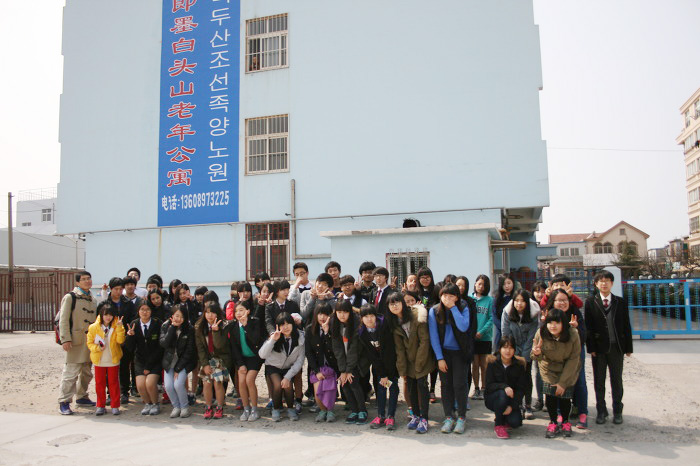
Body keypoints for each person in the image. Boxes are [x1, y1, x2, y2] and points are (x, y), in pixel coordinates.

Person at [584, 270, 633, 425]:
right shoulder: (590, 302)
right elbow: (588, 327)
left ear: (612, 283)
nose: (604, 283)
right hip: (598, 349)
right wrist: (590, 347)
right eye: (601, 281)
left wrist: (628, 347)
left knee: (616, 380)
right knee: (599, 381)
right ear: (596, 284)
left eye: (607, 281)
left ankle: (617, 411)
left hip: (616, 347)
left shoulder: (620, 302)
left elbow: (626, 325)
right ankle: (601, 411)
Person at [428, 283, 471, 434]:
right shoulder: (434, 311)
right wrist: (439, 358)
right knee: (445, 385)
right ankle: (448, 417)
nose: (447, 298)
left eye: (451, 296)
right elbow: (433, 336)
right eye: (444, 295)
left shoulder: (463, 307)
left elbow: (463, 326)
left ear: (457, 297)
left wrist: (453, 308)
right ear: (440, 296)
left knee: (459, 384)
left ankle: (461, 417)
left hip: (460, 352)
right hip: (444, 353)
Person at [531, 308, 581, 438]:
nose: (552, 326)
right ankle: (553, 422)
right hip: (548, 368)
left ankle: (565, 421)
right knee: (551, 394)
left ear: (563, 324)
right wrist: (537, 353)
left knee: (565, 396)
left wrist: (563, 383)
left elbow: (574, 359)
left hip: (567, 368)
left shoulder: (573, 334)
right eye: (550, 322)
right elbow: (535, 356)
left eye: (557, 323)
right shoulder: (541, 333)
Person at [388, 292, 434, 434]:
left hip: (422, 356)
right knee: (411, 386)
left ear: (403, 302)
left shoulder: (417, 315)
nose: (394, 306)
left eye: (397, 302)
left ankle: (424, 418)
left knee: (422, 385)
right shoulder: (394, 322)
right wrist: (402, 367)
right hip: (408, 360)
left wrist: (419, 363)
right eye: (391, 303)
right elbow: (399, 348)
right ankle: (415, 415)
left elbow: (424, 340)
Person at [545, 288, 588, 428]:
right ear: (553, 302)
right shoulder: (549, 315)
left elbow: (583, 336)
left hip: (574, 354)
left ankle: (582, 412)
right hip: (556, 355)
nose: (562, 303)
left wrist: (576, 328)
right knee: (557, 382)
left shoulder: (575, 313)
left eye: (565, 300)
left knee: (579, 381)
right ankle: (559, 414)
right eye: (559, 300)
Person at [57, 271, 98, 415]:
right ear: (77, 282)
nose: (87, 281)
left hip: (89, 342)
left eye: (89, 278)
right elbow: (63, 319)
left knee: (87, 372)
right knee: (71, 373)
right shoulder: (70, 297)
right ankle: (64, 401)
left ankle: (82, 396)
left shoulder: (92, 299)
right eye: (84, 279)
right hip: (74, 341)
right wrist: (65, 339)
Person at [358, 304, 399, 431]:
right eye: (366, 316)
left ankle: (391, 416)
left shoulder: (384, 326)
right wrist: (382, 374)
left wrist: (388, 373)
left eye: (371, 316)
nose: (369, 319)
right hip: (378, 365)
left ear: (375, 316)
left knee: (393, 387)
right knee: (381, 388)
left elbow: (390, 351)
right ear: (362, 318)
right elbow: (372, 355)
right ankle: (381, 415)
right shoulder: (362, 332)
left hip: (391, 363)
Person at [258, 312, 306, 422]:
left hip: (288, 367)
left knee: (287, 385)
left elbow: (300, 361)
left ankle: (290, 409)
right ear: (278, 326)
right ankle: (276, 409)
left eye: (288, 323)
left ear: (293, 324)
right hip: (273, 366)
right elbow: (262, 355)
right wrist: (273, 340)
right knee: (278, 385)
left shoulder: (300, 337)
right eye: (282, 325)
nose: (285, 327)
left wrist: (288, 376)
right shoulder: (275, 336)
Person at [501, 289, 540, 419]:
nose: (519, 304)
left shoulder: (534, 315)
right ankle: (515, 405)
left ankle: (528, 405)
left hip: (527, 351)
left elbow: (532, 337)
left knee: (526, 377)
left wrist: (524, 357)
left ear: (527, 302)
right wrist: (513, 354)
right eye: (516, 300)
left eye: (522, 301)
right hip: (511, 350)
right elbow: (506, 334)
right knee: (512, 378)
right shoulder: (507, 313)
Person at [331, 299, 369, 424]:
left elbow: (355, 349)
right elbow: (337, 349)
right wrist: (342, 371)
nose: (342, 315)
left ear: (350, 312)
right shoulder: (335, 323)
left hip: (358, 360)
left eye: (345, 312)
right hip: (344, 361)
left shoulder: (357, 323)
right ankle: (354, 410)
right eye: (339, 312)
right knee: (344, 384)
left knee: (353, 383)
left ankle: (362, 410)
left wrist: (348, 370)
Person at [228, 300, 266, 422]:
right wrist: (240, 364)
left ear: (248, 311)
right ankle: (246, 408)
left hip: (255, 357)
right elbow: (234, 348)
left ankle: (255, 409)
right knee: (241, 382)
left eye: (241, 310)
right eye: (236, 311)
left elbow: (255, 340)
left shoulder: (255, 322)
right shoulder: (233, 326)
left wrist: (246, 326)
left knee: (250, 380)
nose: (238, 313)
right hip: (242, 359)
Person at [86, 301, 126, 416]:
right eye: (105, 314)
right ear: (101, 314)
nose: (108, 317)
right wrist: (98, 348)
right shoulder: (93, 327)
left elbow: (120, 341)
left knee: (114, 383)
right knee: (99, 383)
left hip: (113, 359)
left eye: (110, 315)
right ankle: (100, 405)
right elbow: (89, 343)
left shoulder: (117, 325)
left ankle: (115, 405)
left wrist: (119, 327)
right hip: (99, 360)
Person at [485, 336, 528, 439]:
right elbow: (489, 386)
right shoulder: (492, 362)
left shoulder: (519, 365)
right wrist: (504, 387)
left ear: (514, 350)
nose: (508, 351)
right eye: (505, 347)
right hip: (493, 398)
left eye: (511, 348)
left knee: (515, 422)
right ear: (500, 349)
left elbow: (521, 389)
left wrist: (512, 406)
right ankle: (499, 425)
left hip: (510, 401)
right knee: (502, 394)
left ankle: (502, 416)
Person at [125, 302, 164, 415]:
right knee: (140, 385)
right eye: (142, 309)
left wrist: (149, 366)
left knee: (150, 383)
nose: (144, 312)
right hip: (140, 360)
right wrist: (130, 336)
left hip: (155, 360)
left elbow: (160, 347)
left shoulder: (157, 323)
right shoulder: (134, 324)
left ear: (151, 311)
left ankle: (155, 404)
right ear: (138, 311)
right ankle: (148, 403)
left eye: (147, 309)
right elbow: (130, 347)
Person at [195, 301, 232, 420]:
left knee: (218, 382)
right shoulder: (199, 327)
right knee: (206, 382)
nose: (210, 315)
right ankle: (208, 406)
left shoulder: (224, 325)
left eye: (213, 312)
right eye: (207, 312)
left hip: (221, 358)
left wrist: (215, 331)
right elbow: (200, 348)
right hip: (208, 359)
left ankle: (220, 407)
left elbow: (220, 345)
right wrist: (205, 364)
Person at [159, 305, 197, 419]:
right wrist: (172, 328)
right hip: (169, 362)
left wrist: (178, 368)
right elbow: (163, 343)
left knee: (178, 384)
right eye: (176, 316)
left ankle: (184, 407)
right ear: (172, 315)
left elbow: (189, 351)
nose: (178, 319)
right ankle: (176, 406)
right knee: (169, 386)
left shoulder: (189, 329)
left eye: (181, 316)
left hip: (184, 363)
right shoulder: (166, 326)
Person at [305, 302, 339, 422]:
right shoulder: (309, 330)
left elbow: (334, 349)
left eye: (325, 314)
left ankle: (329, 411)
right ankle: (322, 410)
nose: (322, 317)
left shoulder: (334, 328)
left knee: (329, 390)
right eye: (319, 314)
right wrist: (316, 370)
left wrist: (326, 332)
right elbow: (308, 353)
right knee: (317, 393)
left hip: (332, 367)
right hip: (317, 367)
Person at [416, 266, 439, 401]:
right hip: (420, 331)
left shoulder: (436, 290)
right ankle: (424, 387)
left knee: (434, 360)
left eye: (427, 277)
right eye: (422, 277)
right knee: (423, 359)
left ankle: (432, 390)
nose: (425, 279)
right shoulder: (416, 292)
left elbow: (438, 307)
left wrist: (425, 308)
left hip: (433, 329)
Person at [471, 274, 493, 400]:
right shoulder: (470, 299)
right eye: (479, 283)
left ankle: (484, 388)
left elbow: (491, 319)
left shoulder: (490, 300)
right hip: (473, 338)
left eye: (483, 285)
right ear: (475, 284)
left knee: (484, 365)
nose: (480, 286)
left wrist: (482, 332)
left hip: (485, 338)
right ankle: (476, 389)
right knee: (474, 364)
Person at [531, 280, 547, 412]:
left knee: (547, 372)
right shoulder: (530, 306)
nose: (540, 294)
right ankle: (540, 400)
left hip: (548, 344)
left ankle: (548, 400)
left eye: (542, 291)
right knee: (537, 373)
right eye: (537, 291)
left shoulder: (549, 305)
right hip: (534, 343)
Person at [493, 274, 515, 350]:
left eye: (509, 283)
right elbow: (494, 316)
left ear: (513, 283)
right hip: (500, 331)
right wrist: (502, 328)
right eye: (504, 284)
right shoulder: (497, 298)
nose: (506, 286)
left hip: (514, 330)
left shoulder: (516, 297)